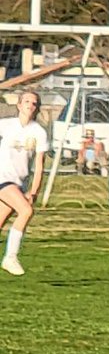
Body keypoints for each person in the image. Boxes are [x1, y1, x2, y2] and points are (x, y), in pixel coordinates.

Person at [0, 90, 48, 277]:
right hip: (3, 179)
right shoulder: (6, 125)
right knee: (26, 211)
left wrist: (33, 192)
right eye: (26, 101)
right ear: (19, 105)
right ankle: (10, 257)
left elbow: (39, 164)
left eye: (34, 103)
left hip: (18, 182)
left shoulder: (39, 132)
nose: (30, 105)